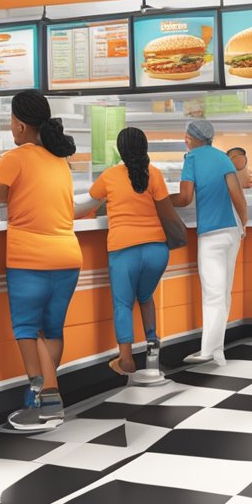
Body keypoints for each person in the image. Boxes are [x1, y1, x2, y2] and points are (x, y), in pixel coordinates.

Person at [0, 90, 81, 430]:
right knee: (52, 329)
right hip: (68, 257)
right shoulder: (60, 159)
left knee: (27, 330)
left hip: (31, 258)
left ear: (19, 124)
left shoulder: (17, 157)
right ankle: (43, 399)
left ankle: (48, 404)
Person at [85, 128, 173, 374]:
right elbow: (165, 207)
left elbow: (87, 202)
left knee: (123, 304)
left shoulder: (110, 176)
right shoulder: (153, 174)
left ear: (121, 150)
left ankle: (126, 360)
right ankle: (153, 352)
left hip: (124, 250)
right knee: (145, 297)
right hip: (157, 250)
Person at [169, 120, 247, 365]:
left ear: (190, 139)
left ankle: (207, 351)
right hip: (232, 230)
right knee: (223, 292)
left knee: (213, 294)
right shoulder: (223, 158)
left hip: (211, 233)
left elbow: (184, 198)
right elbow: (238, 197)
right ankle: (218, 350)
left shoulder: (191, 159)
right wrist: (243, 226)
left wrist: (160, 200)